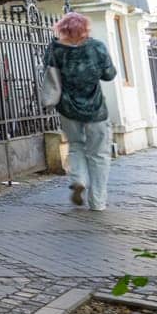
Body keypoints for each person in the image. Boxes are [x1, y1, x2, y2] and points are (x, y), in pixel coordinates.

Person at [45, 12, 117, 211]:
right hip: (96, 110)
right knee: (99, 155)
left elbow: (49, 76)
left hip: (67, 108)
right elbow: (109, 75)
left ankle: (79, 180)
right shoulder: (97, 47)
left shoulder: (55, 49)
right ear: (86, 28)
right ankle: (98, 202)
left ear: (62, 28)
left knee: (76, 146)